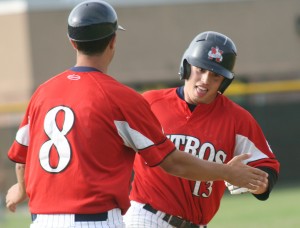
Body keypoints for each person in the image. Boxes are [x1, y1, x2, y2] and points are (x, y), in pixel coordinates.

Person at [5, 1, 268, 227]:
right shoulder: (123, 98)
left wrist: (22, 189)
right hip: (98, 218)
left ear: (72, 41)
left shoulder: (43, 92)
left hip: (41, 220)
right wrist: (227, 172)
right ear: (113, 41)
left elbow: (21, 158)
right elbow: (172, 162)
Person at [124, 31, 280, 228]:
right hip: (146, 216)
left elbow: (267, 167)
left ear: (224, 82)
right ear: (187, 66)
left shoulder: (237, 119)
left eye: (216, 75)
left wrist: (258, 184)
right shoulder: (150, 103)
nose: (206, 79)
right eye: (201, 69)